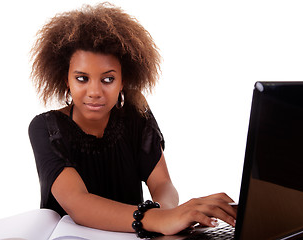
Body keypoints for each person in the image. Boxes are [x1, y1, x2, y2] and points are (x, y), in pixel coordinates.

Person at [28, 2, 236, 238]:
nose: (94, 91)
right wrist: (158, 219)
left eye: (107, 80)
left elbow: (162, 184)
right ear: (66, 79)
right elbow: (78, 204)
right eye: (82, 78)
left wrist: (169, 214)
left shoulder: (135, 114)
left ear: (123, 81)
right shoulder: (46, 128)